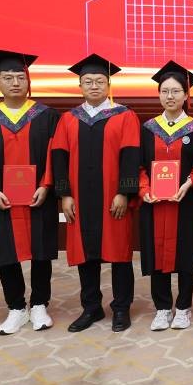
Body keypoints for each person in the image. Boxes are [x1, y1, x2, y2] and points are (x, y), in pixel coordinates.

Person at [0, 50, 60, 335]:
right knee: (7, 252)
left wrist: (46, 185)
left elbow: (56, 155)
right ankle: (16, 307)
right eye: (8, 78)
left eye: (20, 77)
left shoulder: (47, 116)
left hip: (38, 196)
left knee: (41, 251)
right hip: (1, 200)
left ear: (28, 81)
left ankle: (39, 304)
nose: (15, 83)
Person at [51, 54, 140, 333]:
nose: (94, 86)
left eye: (99, 81)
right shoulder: (68, 119)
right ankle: (91, 307)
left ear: (108, 84)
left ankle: (121, 307)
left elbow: (131, 156)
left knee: (119, 254)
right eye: (88, 81)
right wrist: (65, 195)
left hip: (112, 198)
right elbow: (59, 157)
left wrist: (124, 192)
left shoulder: (124, 116)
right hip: (79, 197)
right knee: (85, 254)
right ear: (80, 86)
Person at [138, 61, 193, 331]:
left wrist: (189, 183)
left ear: (186, 95)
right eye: (165, 91)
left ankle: (184, 307)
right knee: (156, 254)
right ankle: (163, 307)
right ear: (158, 95)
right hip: (154, 204)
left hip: (185, 203)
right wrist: (144, 190)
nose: (170, 96)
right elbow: (138, 165)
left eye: (176, 91)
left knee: (186, 254)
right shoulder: (147, 128)